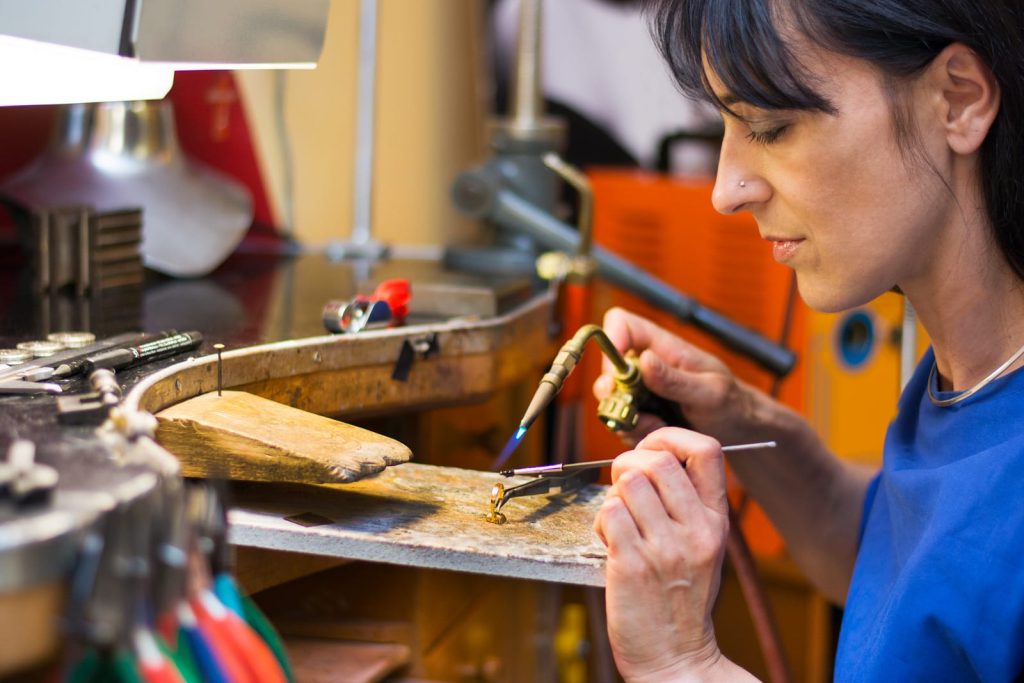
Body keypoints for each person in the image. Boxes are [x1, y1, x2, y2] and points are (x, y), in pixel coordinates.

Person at [590, 0, 1024, 680]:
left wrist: (682, 663)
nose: (726, 191)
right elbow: (913, 580)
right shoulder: (967, 381)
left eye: (772, 127)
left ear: (958, 100)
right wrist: (741, 418)